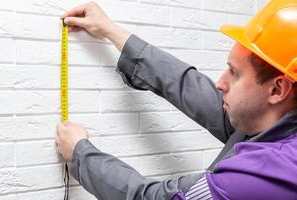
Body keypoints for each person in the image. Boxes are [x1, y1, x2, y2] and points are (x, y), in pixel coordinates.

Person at [56, 0, 297, 199]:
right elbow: (196, 93)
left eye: (234, 73)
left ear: (277, 90)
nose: (220, 83)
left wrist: (80, 153)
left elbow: (150, 197)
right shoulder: (278, 121)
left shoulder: (257, 179)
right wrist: (111, 31)